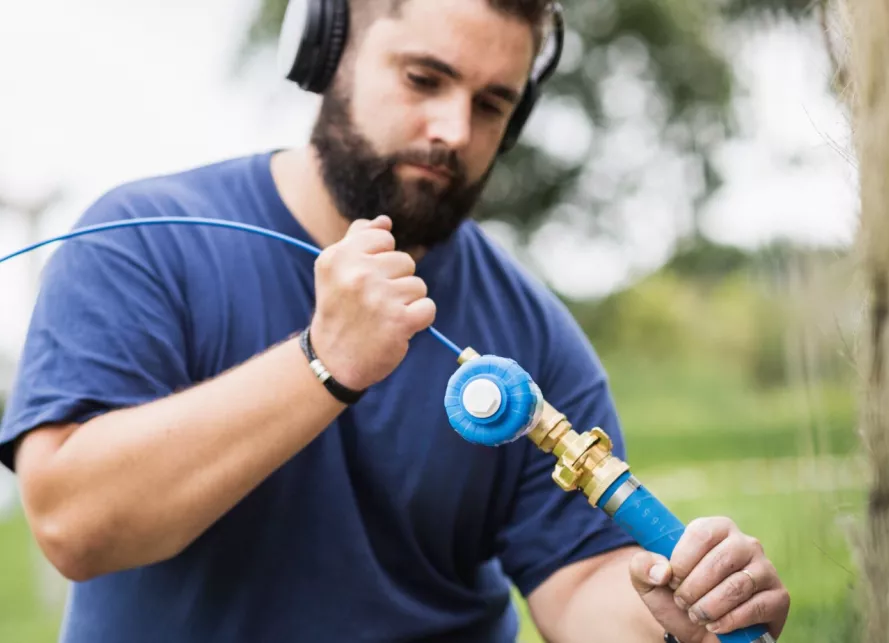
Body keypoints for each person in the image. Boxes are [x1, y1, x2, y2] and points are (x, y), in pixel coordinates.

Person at [0, 0, 791, 641]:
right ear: (328, 45)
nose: (454, 130)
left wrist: (681, 613)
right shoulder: (143, 240)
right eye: (424, 78)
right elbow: (74, 523)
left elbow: (579, 587)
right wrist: (323, 361)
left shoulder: (534, 330)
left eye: (491, 105)